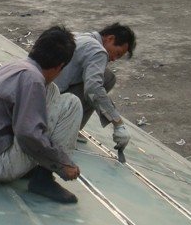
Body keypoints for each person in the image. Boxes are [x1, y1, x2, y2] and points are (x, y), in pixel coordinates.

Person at [0, 26, 84, 204]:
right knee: (72, 104)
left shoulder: (18, 66)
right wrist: (62, 163)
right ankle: (43, 178)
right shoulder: (33, 80)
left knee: (52, 90)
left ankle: (35, 169)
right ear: (60, 66)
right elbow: (28, 134)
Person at [53, 22, 136, 156]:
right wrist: (118, 123)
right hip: (50, 101)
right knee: (106, 79)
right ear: (110, 39)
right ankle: (68, 129)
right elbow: (93, 90)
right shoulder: (98, 51)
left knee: (104, 74)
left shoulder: (81, 36)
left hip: (43, 91)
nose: (114, 59)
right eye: (118, 53)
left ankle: (71, 127)